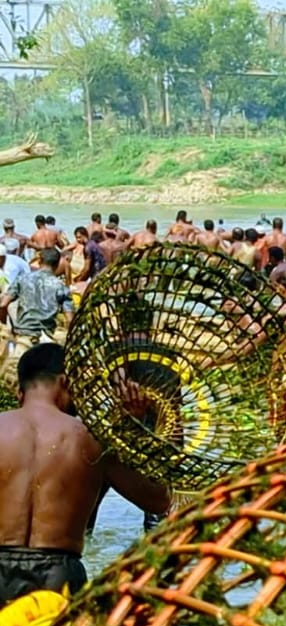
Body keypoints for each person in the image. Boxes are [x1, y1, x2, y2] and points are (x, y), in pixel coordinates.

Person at [0, 344, 169, 603]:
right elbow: (159, 500)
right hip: (57, 576)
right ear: (66, 381)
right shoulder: (91, 439)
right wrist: (132, 429)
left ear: (20, 392)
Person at [0, 248, 69, 344]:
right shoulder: (61, 286)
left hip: (24, 336)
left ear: (39, 261)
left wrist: (4, 325)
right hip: (47, 336)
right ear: (57, 264)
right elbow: (70, 318)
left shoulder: (22, 279)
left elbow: (3, 304)